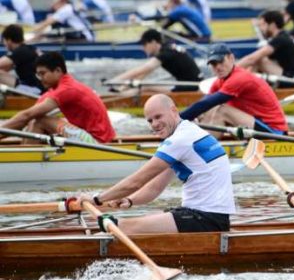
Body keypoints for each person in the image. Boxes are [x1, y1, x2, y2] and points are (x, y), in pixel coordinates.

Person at [79, 94, 235, 234]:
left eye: (158, 117)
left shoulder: (179, 140)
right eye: (150, 120)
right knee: (139, 222)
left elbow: (136, 182)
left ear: (174, 110)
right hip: (209, 217)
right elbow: (155, 187)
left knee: (118, 226)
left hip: (206, 219)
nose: (154, 124)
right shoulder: (189, 131)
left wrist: (96, 199)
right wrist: (130, 200)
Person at [0, 52, 115, 143]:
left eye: (43, 73)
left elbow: (26, 115)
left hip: (99, 141)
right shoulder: (54, 89)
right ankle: (26, 155)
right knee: (35, 119)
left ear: (58, 71)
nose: (40, 78)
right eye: (38, 74)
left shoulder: (67, 89)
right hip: (86, 136)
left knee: (40, 121)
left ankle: (26, 162)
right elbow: (24, 119)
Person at [180, 43, 288, 135]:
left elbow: (206, 103)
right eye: (213, 64)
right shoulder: (219, 81)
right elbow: (204, 104)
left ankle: (205, 151)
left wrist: (178, 119)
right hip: (253, 125)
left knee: (222, 110)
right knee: (209, 110)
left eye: (221, 62)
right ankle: (201, 142)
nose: (218, 67)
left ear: (231, 58)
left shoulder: (239, 78)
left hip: (274, 131)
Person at [110, 29, 203, 93]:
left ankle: (118, 101)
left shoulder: (166, 53)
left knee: (145, 86)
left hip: (192, 87)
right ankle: (120, 94)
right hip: (194, 83)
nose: (143, 48)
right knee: (143, 84)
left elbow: (139, 70)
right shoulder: (167, 47)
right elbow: (143, 74)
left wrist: (113, 81)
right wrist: (121, 88)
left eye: (144, 44)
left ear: (154, 42)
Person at [236, 10, 294, 86]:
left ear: (272, 25)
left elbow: (251, 58)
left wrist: (231, 70)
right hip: (293, 77)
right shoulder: (283, 36)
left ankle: (238, 85)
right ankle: (241, 85)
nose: (261, 29)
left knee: (259, 59)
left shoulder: (280, 39)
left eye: (263, 25)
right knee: (258, 62)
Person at [0, 24, 44, 95]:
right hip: (37, 86)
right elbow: (6, 68)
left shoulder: (20, 52)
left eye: (4, 40)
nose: (4, 44)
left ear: (9, 40)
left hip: (34, 89)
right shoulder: (29, 48)